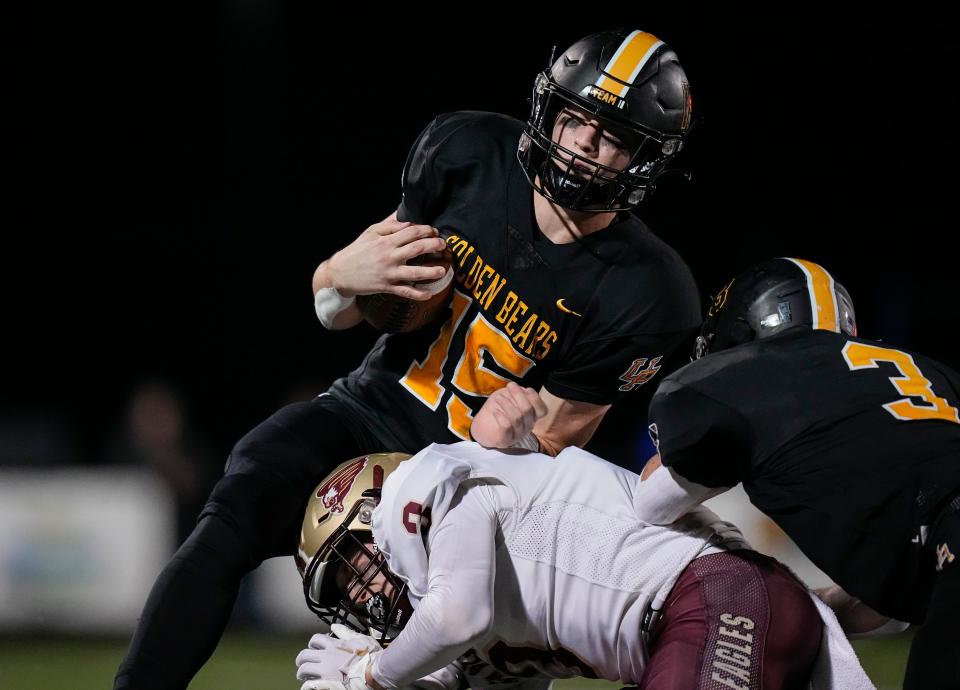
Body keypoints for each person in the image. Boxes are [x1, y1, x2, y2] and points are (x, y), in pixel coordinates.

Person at [115, 28, 701, 689]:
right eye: (577, 122)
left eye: (614, 138)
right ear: (549, 112)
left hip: (482, 481)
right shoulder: (467, 153)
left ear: (645, 160)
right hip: (372, 412)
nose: (587, 147)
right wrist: (336, 273)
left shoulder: (650, 291)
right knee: (242, 496)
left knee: (460, 656)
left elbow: (553, 451)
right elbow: (341, 308)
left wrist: (511, 443)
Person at [292, 445, 873, 690]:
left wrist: (370, 676)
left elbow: (456, 618)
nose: (365, 594)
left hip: (715, 602)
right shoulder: (461, 610)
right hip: (709, 620)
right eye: (346, 591)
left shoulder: (435, 493)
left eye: (358, 564)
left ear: (385, 518)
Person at [634, 257, 960, 689]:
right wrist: (806, 604)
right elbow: (892, 603)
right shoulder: (926, 373)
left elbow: (653, 503)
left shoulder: (754, 375)